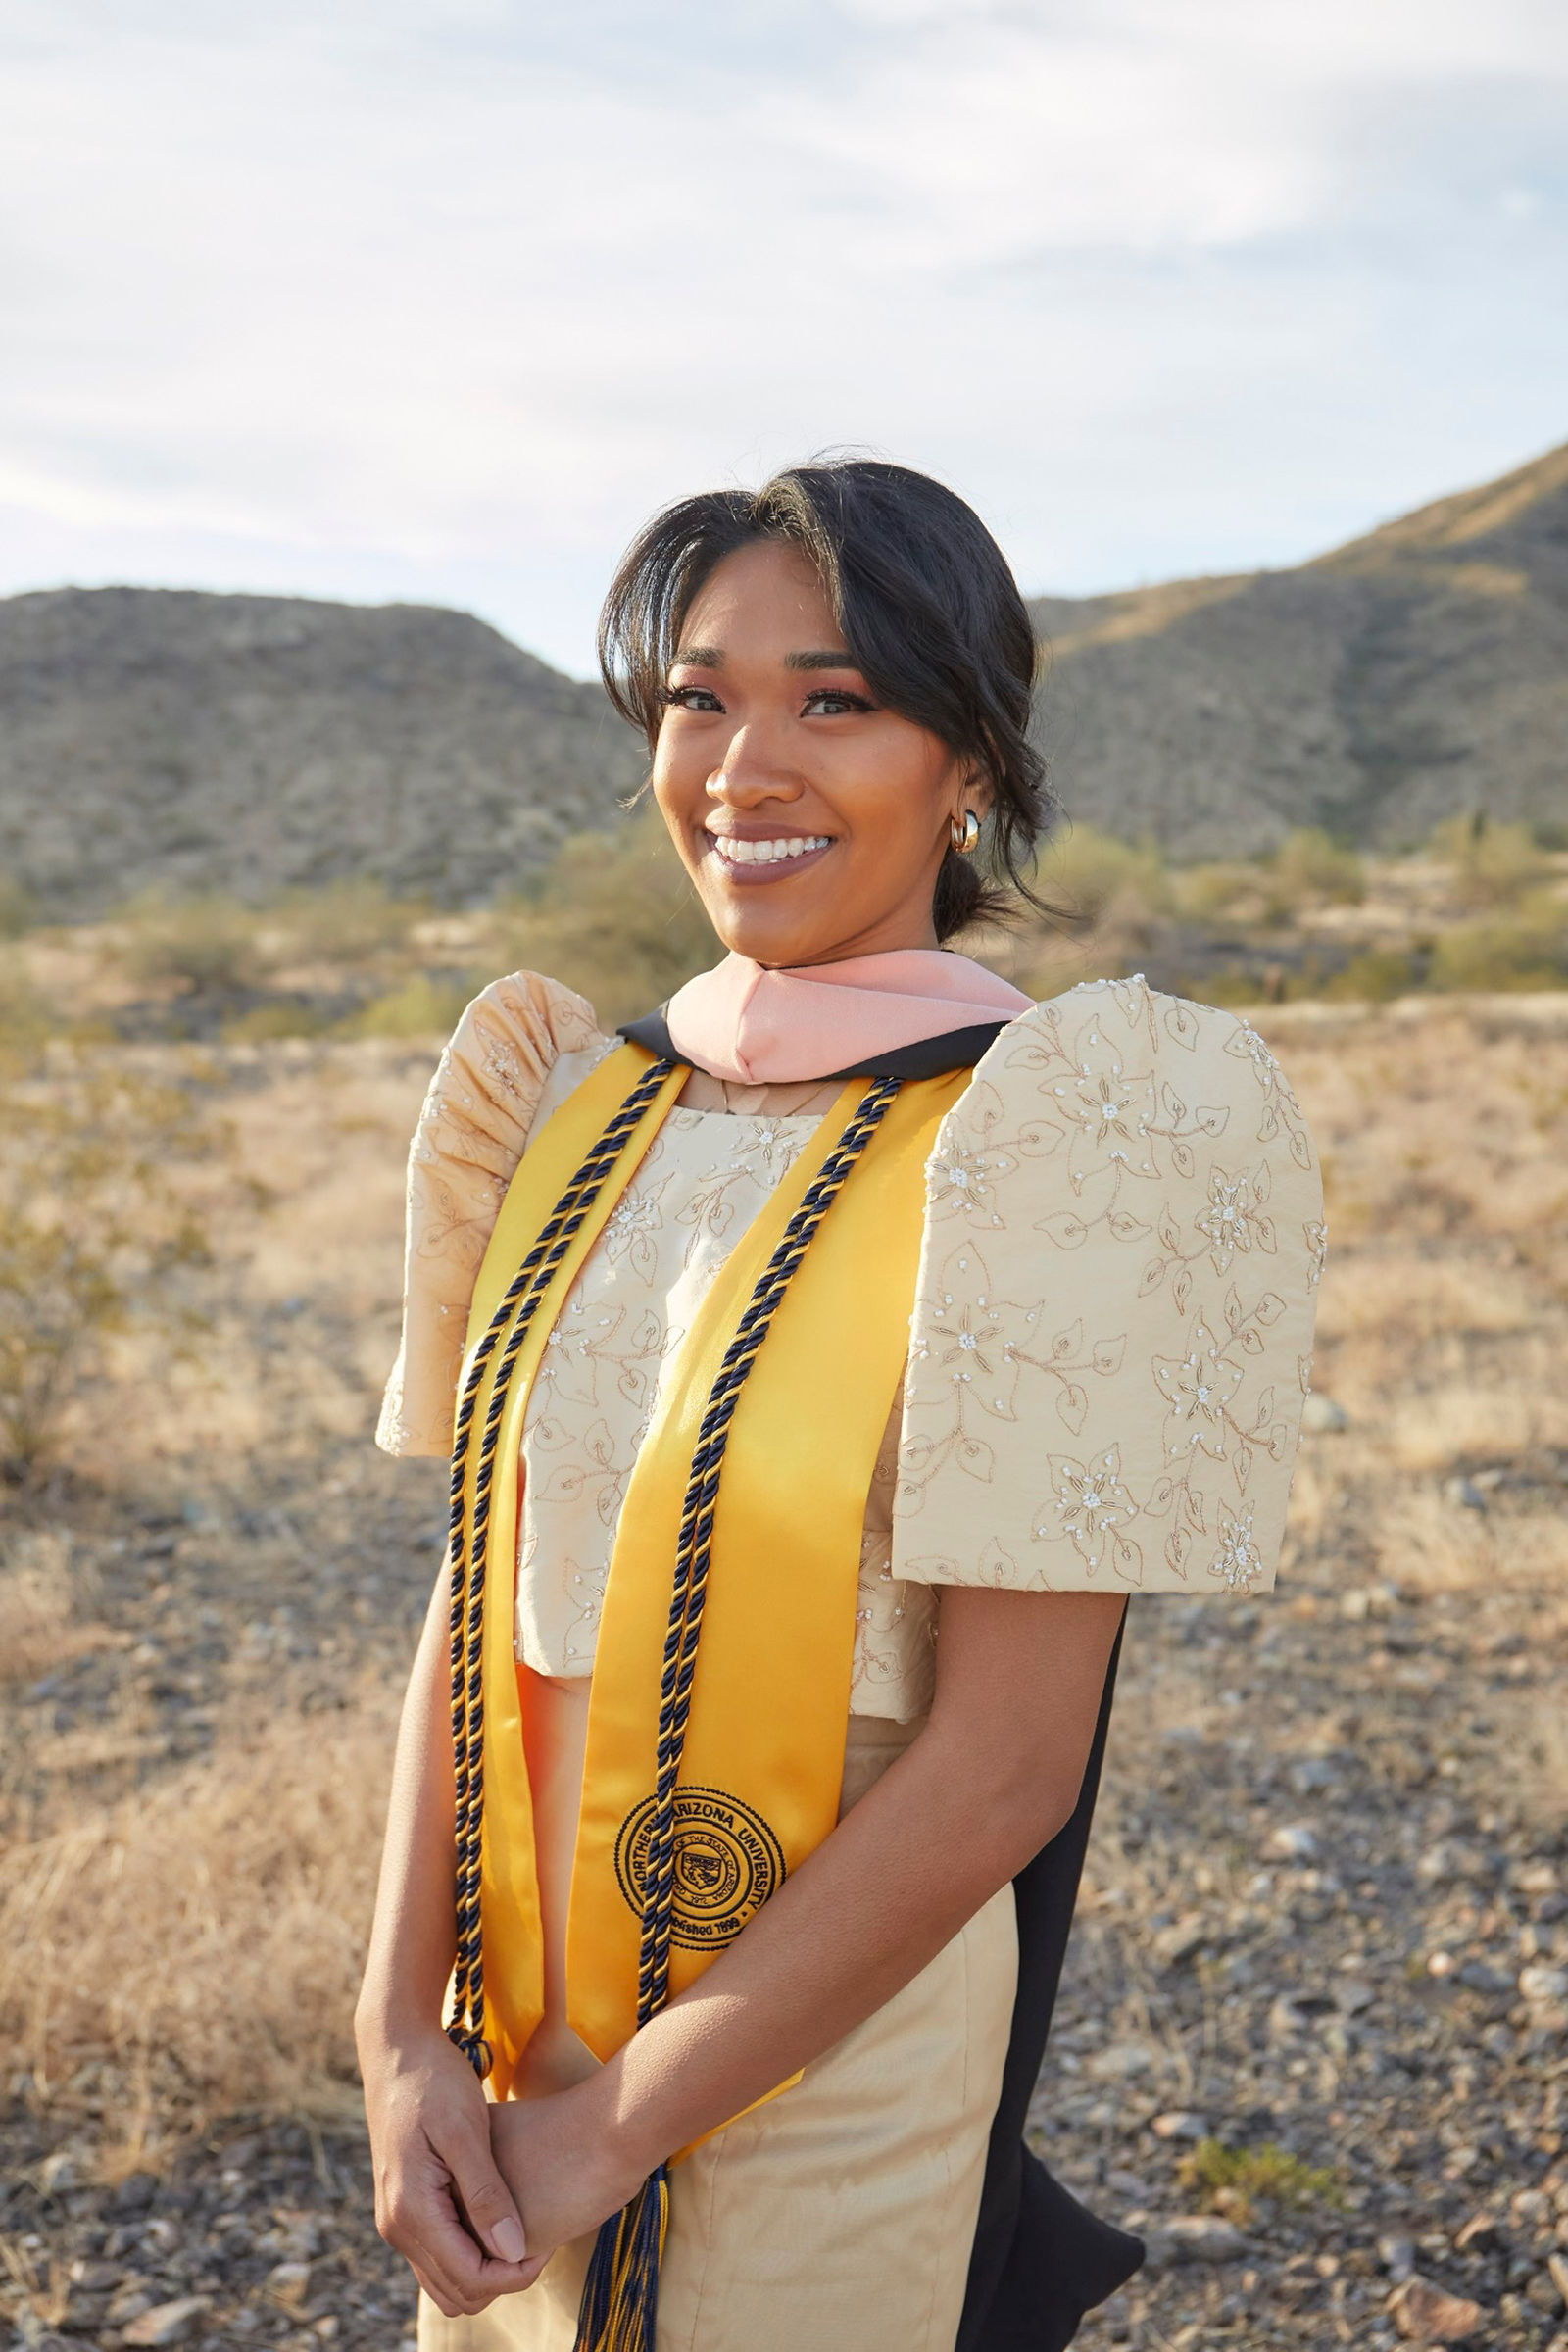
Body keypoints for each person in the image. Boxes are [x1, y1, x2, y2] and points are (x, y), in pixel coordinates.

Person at [356, 459, 1325, 2352]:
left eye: (837, 698)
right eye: (701, 694)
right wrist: (396, 2038)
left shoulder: (1071, 1137)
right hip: (510, 2010)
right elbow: (476, 1596)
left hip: (835, 2029)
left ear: (969, 764)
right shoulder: (572, 1104)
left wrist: (611, 2138)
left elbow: (1004, 1763)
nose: (745, 763)